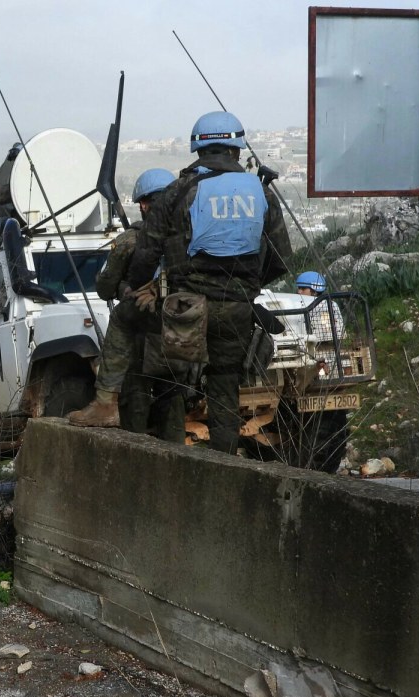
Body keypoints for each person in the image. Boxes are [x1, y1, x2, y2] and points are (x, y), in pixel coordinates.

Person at [124, 111, 293, 455]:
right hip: (237, 309)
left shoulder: (177, 191)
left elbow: (147, 252)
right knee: (224, 387)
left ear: (197, 150)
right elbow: (280, 258)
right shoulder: (261, 193)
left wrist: (139, 286)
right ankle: (224, 461)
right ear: (236, 149)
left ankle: (154, 454)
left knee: (165, 378)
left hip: (185, 308)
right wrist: (247, 288)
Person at [67, 168, 184, 440]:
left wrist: (124, 288)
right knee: (173, 406)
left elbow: (104, 287)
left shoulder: (130, 240)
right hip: (180, 334)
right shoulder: (186, 237)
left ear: (143, 205)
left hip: (139, 338)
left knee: (135, 407)